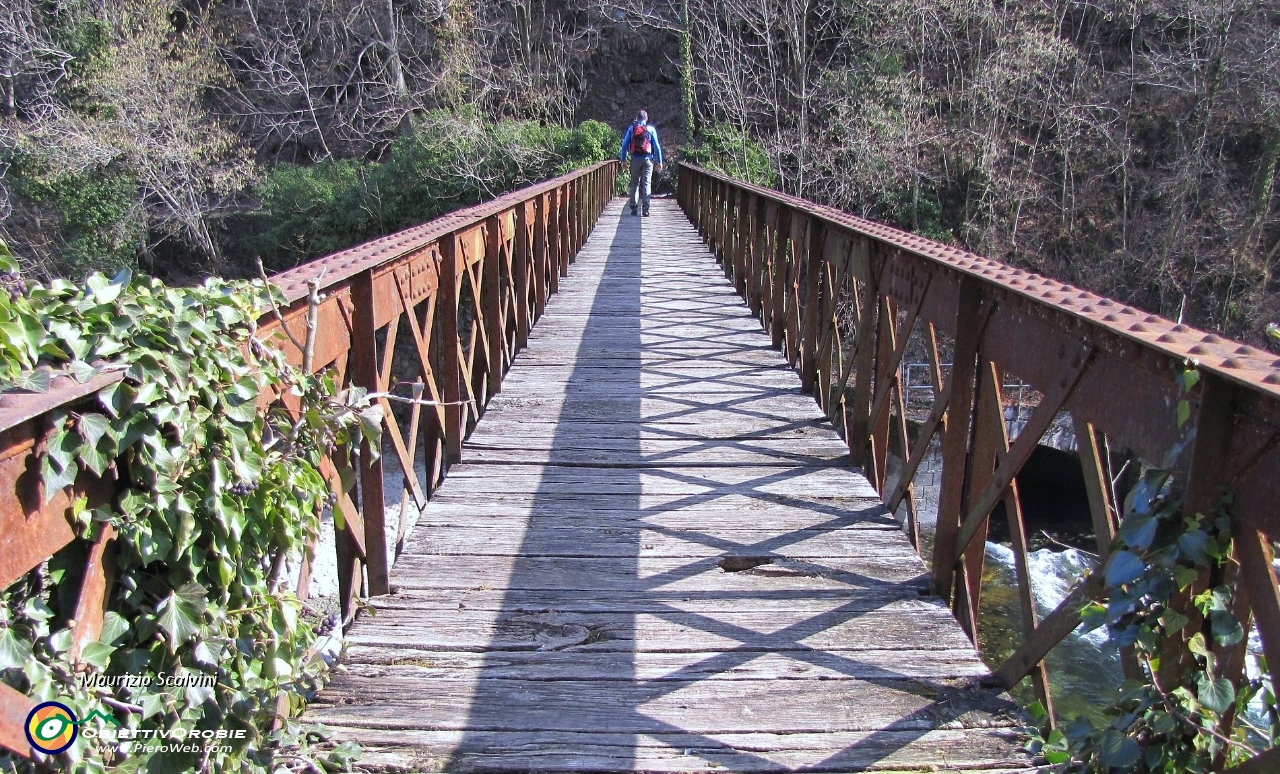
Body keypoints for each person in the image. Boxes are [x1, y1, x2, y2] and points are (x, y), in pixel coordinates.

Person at [619, 110, 663, 217]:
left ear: (637, 118)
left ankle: (634, 208)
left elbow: (624, 146)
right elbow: (657, 147)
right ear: (646, 118)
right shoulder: (651, 129)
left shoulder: (632, 129)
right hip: (648, 160)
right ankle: (645, 209)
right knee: (646, 183)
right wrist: (660, 161)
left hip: (635, 159)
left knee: (635, 183)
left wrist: (623, 160)